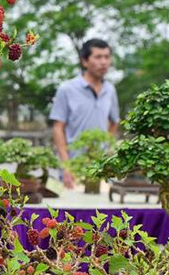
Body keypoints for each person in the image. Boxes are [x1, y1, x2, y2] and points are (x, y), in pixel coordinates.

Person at [49, 38, 120, 188]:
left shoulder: (110, 90)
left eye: (107, 57)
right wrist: (66, 166)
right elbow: (58, 127)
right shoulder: (67, 89)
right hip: (74, 167)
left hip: (100, 168)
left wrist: (108, 152)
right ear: (84, 61)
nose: (104, 62)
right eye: (98, 57)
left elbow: (114, 122)